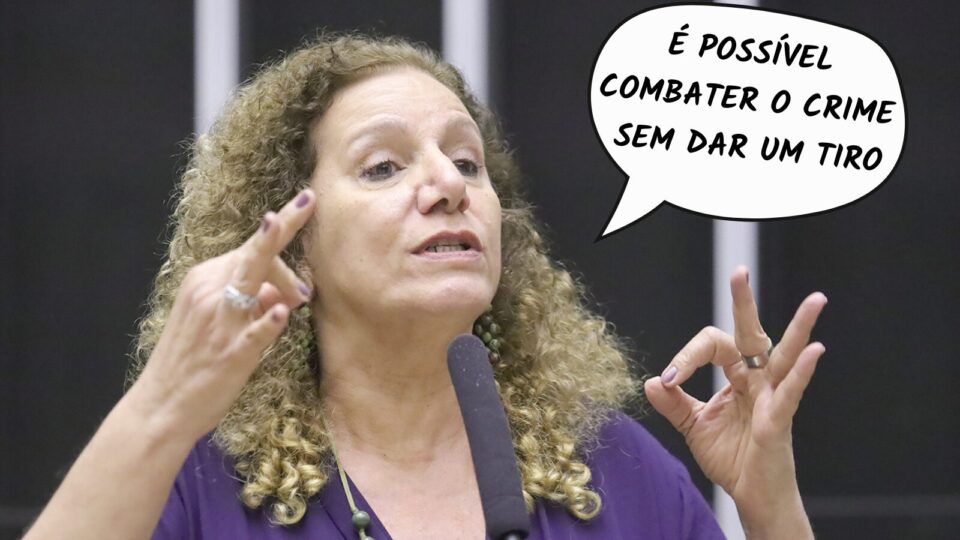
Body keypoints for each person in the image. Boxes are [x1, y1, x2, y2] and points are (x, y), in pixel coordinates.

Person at [25, 33, 826, 539]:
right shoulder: (198, 485)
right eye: (383, 166)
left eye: (467, 161)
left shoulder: (615, 471)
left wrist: (771, 505)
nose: (447, 185)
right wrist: (161, 407)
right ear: (296, 247)